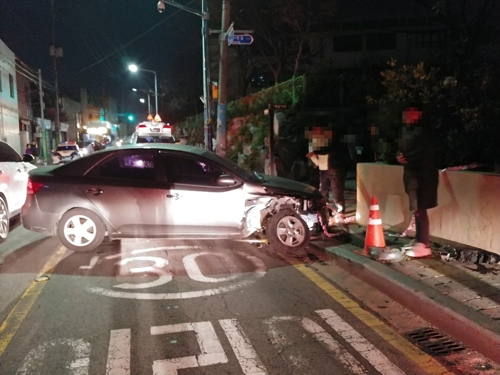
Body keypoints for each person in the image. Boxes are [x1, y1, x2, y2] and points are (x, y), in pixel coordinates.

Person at [396, 105, 439, 258]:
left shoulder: (425, 132)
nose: (406, 115)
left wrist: (408, 158)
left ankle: (423, 243)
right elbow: (401, 149)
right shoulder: (405, 131)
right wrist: (399, 156)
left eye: (410, 112)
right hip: (411, 176)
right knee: (417, 209)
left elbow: (425, 153)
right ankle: (419, 241)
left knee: (420, 209)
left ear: (419, 114)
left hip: (423, 177)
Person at [306, 127, 351, 223]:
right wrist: (314, 156)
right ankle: (325, 211)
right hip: (324, 170)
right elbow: (318, 157)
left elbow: (326, 150)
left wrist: (314, 153)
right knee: (324, 192)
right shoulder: (317, 142)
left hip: (334, 169)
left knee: (336, 192)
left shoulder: (334, 143)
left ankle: (339, 212)